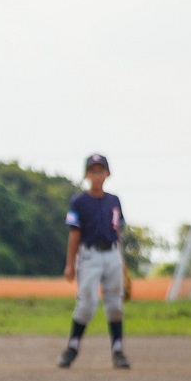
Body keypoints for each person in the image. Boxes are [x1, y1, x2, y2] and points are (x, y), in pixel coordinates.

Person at [59, 152, 130, 369]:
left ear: (107, 174)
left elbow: (117, 233)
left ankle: (117, 349)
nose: (97, 175)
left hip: (112, 255)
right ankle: (72, 346)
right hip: (89, 255)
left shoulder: (114, 201)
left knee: (115, 304)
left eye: (101, 171)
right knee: (87, 303)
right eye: (93, 171)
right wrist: (70, 264)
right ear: (87, 175)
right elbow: (74, 234)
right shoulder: (79, 201)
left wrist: (123, 264)